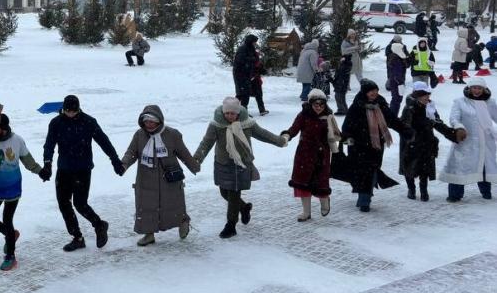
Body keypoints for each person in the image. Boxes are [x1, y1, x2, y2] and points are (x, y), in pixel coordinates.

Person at [194, 97, 287, 238]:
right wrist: (196, 159)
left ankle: (231, 225)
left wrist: (280, 141)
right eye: (227, 113)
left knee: (233, 194)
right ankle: (244, 208)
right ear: (223, 112)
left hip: (241, 163)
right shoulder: (216, 125)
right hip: (223, 163)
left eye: (233, 113)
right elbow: (206, 143)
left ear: (238, 113)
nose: (230, 116)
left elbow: (263, 134)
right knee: (224, 193)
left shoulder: (247, 124)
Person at [40, 94, 123, 252]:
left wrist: (115, 160)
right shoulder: (56, 123)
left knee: (80, 204)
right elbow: (49, 145)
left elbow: (104, 142)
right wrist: (47, 164)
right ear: (63, 109)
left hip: (82, 170)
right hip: (64, 169)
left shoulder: (89, 122)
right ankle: (77, 237)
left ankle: (99, 225)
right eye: (67, 111)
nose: (70, 114)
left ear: (78, 109)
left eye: (73, 111)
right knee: (64, 203)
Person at [119, 104, 200, 246]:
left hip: (169, 178)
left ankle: (183, 222)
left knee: (174, 204)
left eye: (152, 121)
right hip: (146, 179)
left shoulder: (172, 134)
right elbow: (131, 152)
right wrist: (123, 165)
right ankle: (149, 235)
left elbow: (183, 153)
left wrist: (193, 165)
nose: (149, 125)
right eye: (146, 121)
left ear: (159, 121)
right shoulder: (139, 135)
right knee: (146, 207)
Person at [0, 105, 43, 270]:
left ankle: (11, 256)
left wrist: (40, 171)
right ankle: (10, 235)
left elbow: (27, 160)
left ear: (4, 129)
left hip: (13, 186)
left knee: (7, 219)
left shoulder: (17, 140)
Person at [340, 79, 411, 212]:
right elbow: (347, 125)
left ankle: (365, 194)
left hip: (377, 145)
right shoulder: (357, 106)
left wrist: (404, 130)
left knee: (372, 171)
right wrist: (347, 138)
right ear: (365, 92)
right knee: (364, 172)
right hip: (359, 146)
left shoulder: (381, 105)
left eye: (376, 90)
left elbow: (392, 120)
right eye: (371, 91)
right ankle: (364, 200)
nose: (374, 93)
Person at [281, 89, 341, 221]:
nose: (319, 107)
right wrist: (287, 135)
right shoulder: (303, 115)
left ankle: (325, 201)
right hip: (304, 154)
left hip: (322, 155)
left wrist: (346, 139)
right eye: (316, 104)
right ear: (310, 104)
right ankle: (306, 212)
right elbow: (294, 129)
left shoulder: (328, 117)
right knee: (303, 183)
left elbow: (336, 133)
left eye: (321, 104)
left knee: (321, 182)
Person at [439, 83, 497, 202]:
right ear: (469, 88)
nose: (476, 90)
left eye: (479, 88)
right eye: (474, 88)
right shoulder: (460, 102)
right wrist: (459, 127)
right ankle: (455, 195)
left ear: (484, 89)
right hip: (466, 140)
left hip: (485, 142)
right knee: (459, 167)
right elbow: (454, 118)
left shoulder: (490, 103)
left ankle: (486, 192)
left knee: (484, 166)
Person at [400, 82, 457, 202]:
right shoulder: (409, 108)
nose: (427, 98)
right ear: (417, 95)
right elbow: (405, 126)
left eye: (428, 95)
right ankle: (411, 189)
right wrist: (417, 132)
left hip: (427, 141)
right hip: (412, 143)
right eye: (424, 95)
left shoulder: (430, 107)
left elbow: (438, 123)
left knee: (424, 168)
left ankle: (424, 191)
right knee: (409, 167)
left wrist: (452, 134)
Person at [232, 34, 258, 111]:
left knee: (244, 93)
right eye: (254, 42)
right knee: (243, 93)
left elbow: (255, 58)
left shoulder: (251, 48)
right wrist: (251, 59)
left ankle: (236, 109)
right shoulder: (243, 49)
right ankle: (240, 110)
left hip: (247, 74)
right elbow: (240, 60)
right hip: (240, 74)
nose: (255, 43)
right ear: (250, 41)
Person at [384, 34, 409, 116]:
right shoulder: (395, 56)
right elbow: (396, 73)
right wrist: (400, 83)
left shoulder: (399, 54)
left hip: (398, 78)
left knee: (397, 99)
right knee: (396, 99)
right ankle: (392, 116)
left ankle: (393, 115)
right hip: (397, 81)